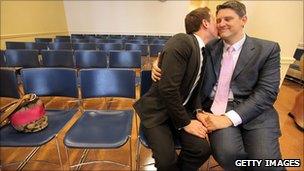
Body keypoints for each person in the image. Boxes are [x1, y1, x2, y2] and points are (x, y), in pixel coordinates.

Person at [152, 1, 284, 170]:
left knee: (267, 164)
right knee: (228, 155)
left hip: (256, 112)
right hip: (215, 110)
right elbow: (179, 55)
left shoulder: (267, 49)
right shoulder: (209, 46)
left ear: (243, 20)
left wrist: (228, 119)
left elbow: (267, 93)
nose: (221, 24)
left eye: (228, 19)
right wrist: (160, 62)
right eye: (219, 20)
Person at [133, 7, 218, 171]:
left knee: (201, 149)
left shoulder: (204, 51)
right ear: (205, 23)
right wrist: (185, 123)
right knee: (166, 162)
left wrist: (198, 109)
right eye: (215, 20)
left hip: (180, 110)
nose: (218, 24)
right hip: (159, 112)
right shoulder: (183, 41)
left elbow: (195, 89)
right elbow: (168, 89)